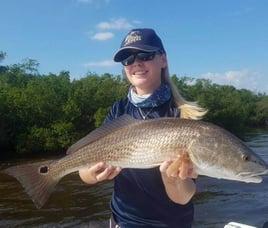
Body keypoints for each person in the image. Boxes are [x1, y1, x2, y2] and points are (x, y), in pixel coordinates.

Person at [79, 28, 207, 228]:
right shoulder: (118, 109)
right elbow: (83, 172)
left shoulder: (184, 117)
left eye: (145, 55)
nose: (136, 63)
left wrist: (171, 178)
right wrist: (93, 174)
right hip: (122, 221)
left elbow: (183, 198)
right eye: (127, 59)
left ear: (163, 60)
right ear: (124, 68)